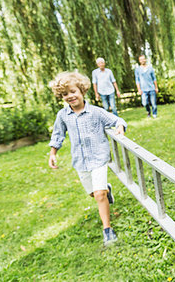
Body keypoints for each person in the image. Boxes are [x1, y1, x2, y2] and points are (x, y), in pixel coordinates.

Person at [48, 71, 127, 246]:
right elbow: (57, 134)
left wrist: (120, 126)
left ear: (82, 91)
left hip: (98, 158)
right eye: (65, 94)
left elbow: (116, 119)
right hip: (80, 161)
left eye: (73, 91)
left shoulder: (96, 113)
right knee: (94, 193)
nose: (70, 96)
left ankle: (107, 230)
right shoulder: (63, 115)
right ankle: (106, 190)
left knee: (99, 195)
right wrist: (53, 153)